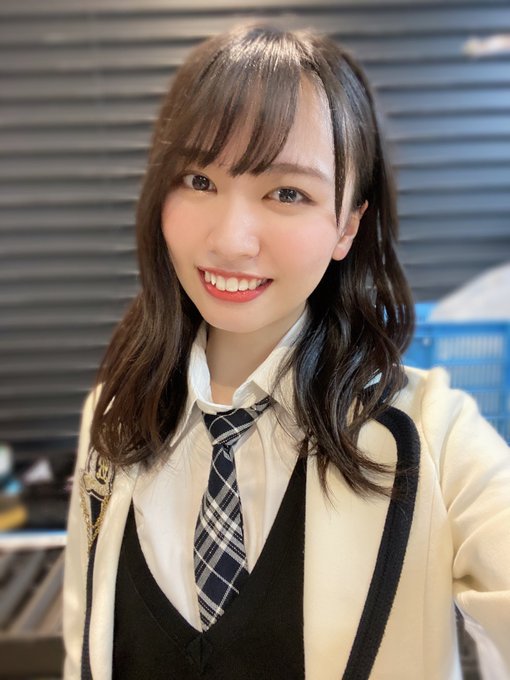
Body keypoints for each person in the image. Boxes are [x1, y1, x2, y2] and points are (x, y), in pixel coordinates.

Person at [63, 23, 510, 680]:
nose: (231, 240)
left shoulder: (436, 436)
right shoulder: (112, 413)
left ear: (347, 225)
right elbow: (83, 642)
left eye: (287, 192)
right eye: (198, 179)